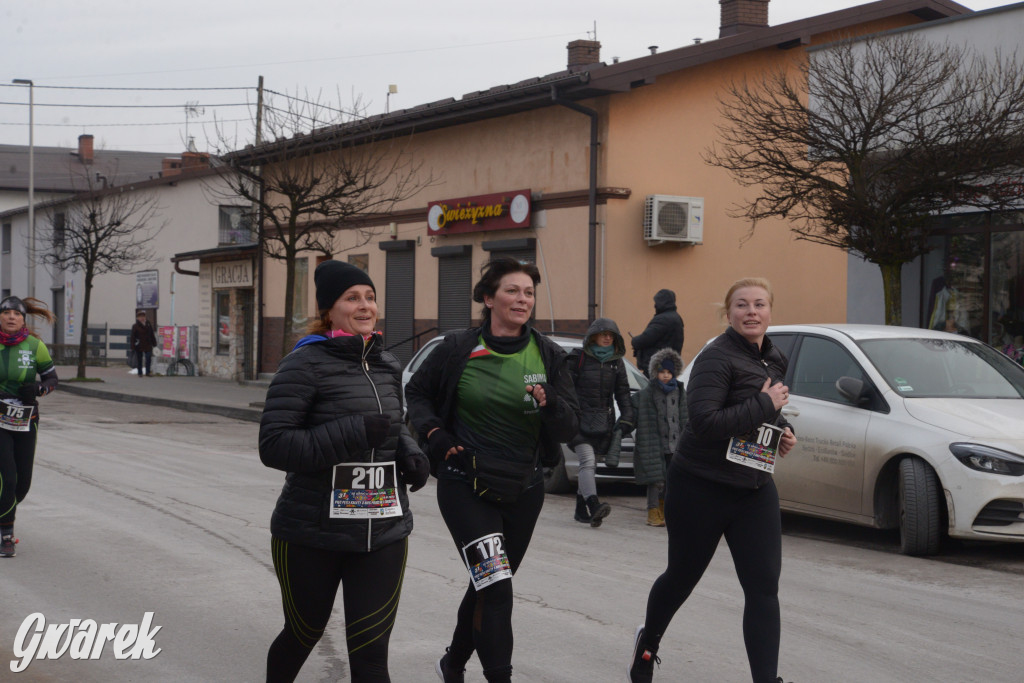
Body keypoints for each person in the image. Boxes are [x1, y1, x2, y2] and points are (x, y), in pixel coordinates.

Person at [405, 257, 580, 683]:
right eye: (512, 291)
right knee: (497, 587)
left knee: (488, 583)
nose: (523, 299)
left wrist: (551, 403)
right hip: (466, 483)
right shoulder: (457, 349)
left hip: (525, 487)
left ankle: (452, 664)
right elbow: (417, 394)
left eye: (529, 293)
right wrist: (434, 435)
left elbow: (572, 425)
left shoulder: (549, 355)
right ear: (488, 298)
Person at [258, 260, 430, 683]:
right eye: (352, 298)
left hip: (382, 529)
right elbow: (274, 445)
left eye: (369, 297)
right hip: (312, 531)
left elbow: (392, 424)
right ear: (329, 310)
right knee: (303, 632)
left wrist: (409, 451)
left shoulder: (387, 363)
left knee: (371, 652)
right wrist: (351, 432)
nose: (365, 305)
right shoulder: (304, 363)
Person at [628, 277, 797, 683]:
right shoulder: (715, 358)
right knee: (681, 579)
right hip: (700, 486)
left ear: (770, 311)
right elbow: (704, 423)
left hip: (753, 487)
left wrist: (782, 429)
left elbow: (762, 412)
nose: (751, 312)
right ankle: (648, 646)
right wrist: (765, 404)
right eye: (742, 305)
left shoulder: (774, 358)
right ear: (729, 312)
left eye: (759, 304)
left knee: (763, 590)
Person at [0, 296, 58, 558]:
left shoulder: (35, 346)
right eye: (6, 313)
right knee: (7, 479)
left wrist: (38, 388)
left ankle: (4, 515)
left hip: (25, 419)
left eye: (17, 314)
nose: (11, 317)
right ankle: (6, 536)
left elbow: (52, 379)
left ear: (24, 319)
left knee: (21, 485)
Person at [566, 317, 634, 527]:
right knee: (587, 461)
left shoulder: (616, 362)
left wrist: (628, 417)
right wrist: (567, 416)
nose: (607, 338)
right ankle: (594, 505)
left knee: (591, 464)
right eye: (604, 334)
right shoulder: (578, 358)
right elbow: (565, 389)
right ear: (593, 336)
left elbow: (622, 392)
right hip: (578, 422)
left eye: (611, 335)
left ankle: (580, 509)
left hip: (603, 422)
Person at [630, 348, 687, 528]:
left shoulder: (679, 392)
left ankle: (664, 509)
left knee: (671, 479)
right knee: (656, 480)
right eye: (662, 372)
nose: (665, 375)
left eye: (669, 372)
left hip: (674, 443)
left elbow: (685, 417)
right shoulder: (647, 394)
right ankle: (653, 511)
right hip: (655, 444)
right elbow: (633, 416)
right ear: (655, 372)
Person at [631, 289, 684, 377]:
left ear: (661, 302)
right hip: (668, 367)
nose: (654, 305)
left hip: (657, 367)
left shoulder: (663, 319)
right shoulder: (676, 318)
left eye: (656, 302)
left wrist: (634, 341)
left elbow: (645, 339)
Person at [130, 310, 157, 377]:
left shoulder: (148, 324)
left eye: (143, 316)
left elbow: (151, 334)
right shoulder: (135, 326)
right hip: (139, 345)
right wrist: (132, 346)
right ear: (137, 318)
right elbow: (132, 337)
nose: (142, 318)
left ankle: (147, 372)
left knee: (148, 358)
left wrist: (154, 343)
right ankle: (140, 373)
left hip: (148, 344)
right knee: (139, 359)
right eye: (140, 317)